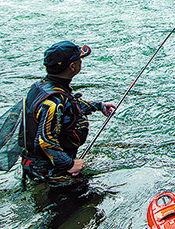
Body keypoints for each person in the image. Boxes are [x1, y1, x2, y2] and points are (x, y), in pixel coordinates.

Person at [20, 41, 116, 186]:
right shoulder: (54, 101)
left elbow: (70, 106)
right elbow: (45, 140)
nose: (81, 62)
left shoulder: (40, 87)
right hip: (52, 172)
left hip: (37, 165)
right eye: (79, 60)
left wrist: (99, 106)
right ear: (72, 67)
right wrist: (69, 164)